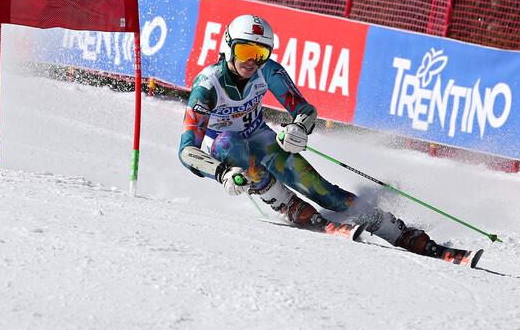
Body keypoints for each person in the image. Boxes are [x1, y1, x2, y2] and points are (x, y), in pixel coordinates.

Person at [178, 14, 474, 264]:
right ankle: (288, 205)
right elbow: (187, 150)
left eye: (261, 53)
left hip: (261, 139)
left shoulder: (267, 71)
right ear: (228, 46)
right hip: (228, 153)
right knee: (228, 142)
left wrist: (298, 127)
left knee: (325, 192)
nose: (252, 61)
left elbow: (304, 109)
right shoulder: (208, 86)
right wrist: (221, 173)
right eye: (244, 51)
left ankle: (399, 232)